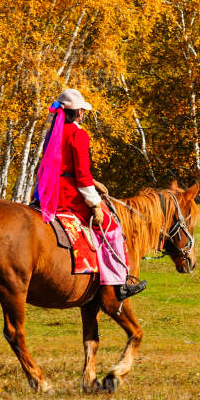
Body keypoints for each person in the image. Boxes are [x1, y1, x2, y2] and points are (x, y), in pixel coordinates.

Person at [55, 89, 147, 301]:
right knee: (111, 227)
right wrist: (95, 203)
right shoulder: (78, 134)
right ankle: (118, 283)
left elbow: (63, 165)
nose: (83, 114)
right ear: (78, 112)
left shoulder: (54, 132)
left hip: (47, 190)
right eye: (82, 111)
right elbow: (81, 175)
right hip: (68, 194)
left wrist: (94, 181)